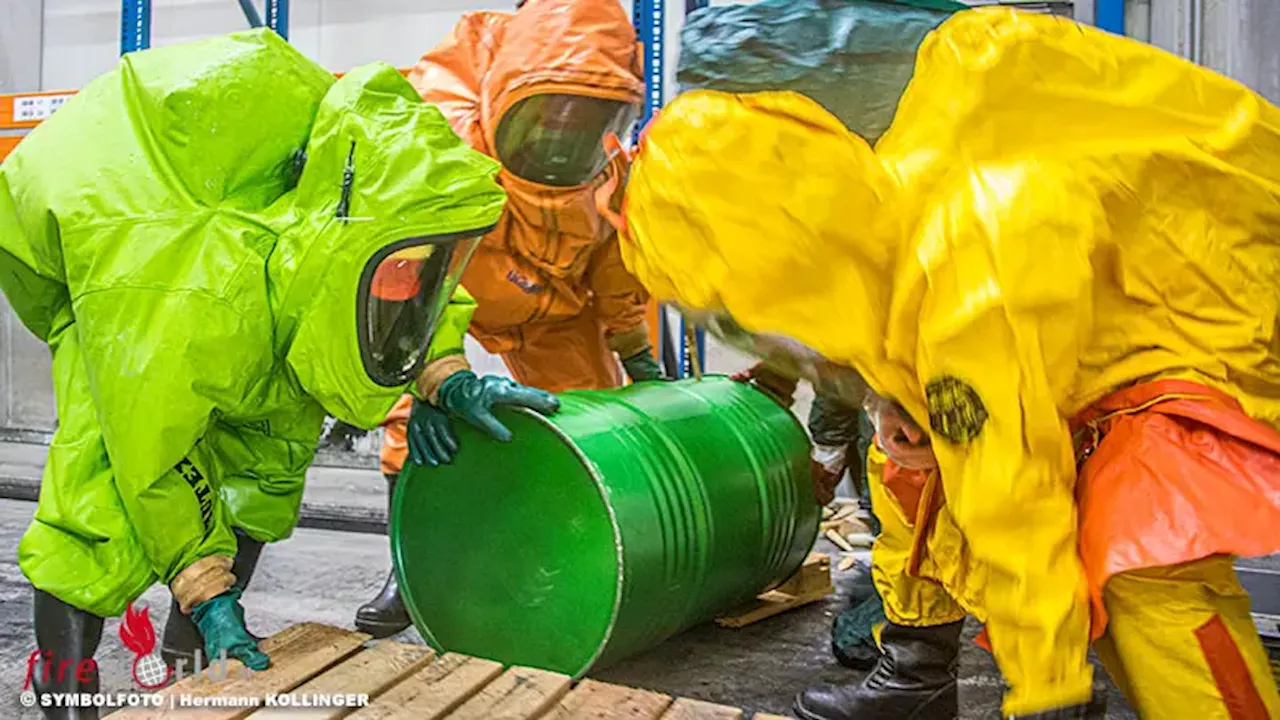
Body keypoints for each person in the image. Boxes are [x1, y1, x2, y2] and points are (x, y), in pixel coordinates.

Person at [606, 7, 1280, 719]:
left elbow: (1011, 492)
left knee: (1146, 561)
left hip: (1226, 331)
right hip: (1119, 337)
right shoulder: (878, 216)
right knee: (910, 457)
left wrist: (1044, 686)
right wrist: (901, 403)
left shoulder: (970, 267)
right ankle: (917, 676)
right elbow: (880, 320)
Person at [0, 29, 559, 719]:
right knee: (105, 495)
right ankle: (66, 695)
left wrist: (444, 370)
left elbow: (405, 270)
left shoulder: (358, 210)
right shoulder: (182, 297)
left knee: (266, 467)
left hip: (247, 234)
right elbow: (155, 450)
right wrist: (203, 583)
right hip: (104, 229)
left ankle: (196, 664)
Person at [352, 0, 663, 638]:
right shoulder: (436, 145)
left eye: (587, 122)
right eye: (548, 118)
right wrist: (433, 378)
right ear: (500, 99)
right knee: (413, 425)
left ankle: (569, 552)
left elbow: (614, 265)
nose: (562, 140)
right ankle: (408, 572)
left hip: (553, 310)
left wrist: (637, 354)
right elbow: (401, 290)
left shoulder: (606, 175)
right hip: (446, 295)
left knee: (590, 423)